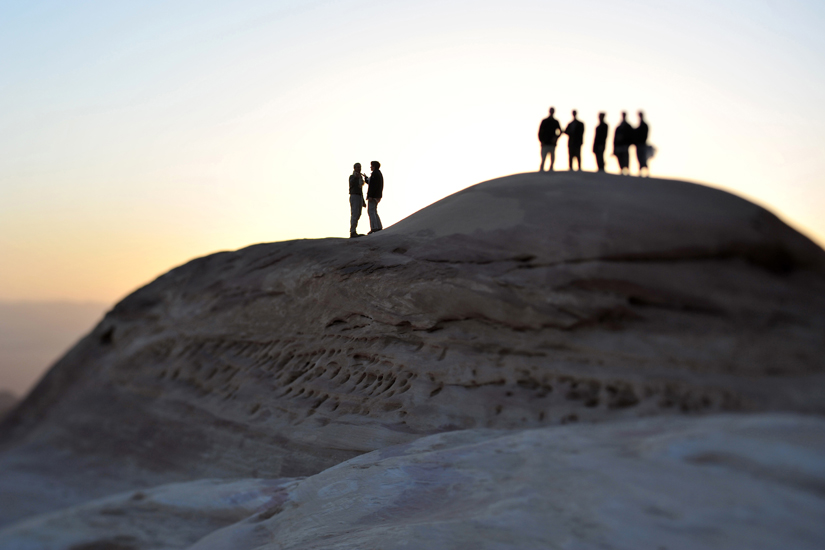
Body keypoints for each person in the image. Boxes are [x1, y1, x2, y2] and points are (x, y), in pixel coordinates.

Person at [538, 107, 562, 172]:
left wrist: (556, 138)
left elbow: (560, 131)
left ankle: (551, 170)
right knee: (543, 158)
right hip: (545, 143)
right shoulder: (545, 121)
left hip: (552, 144)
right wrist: (542, 141)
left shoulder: (555, 122)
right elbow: (540, 132)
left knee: (552, 159)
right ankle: (542, 170)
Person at [364, 160, 383, 234]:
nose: (370, 167)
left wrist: (370, 196)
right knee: (374, 211)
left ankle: (374, 228)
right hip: (377, 196)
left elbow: (373, 186)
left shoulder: (375, 174)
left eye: (371, 166)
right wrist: (366, 179)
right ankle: (378, 226)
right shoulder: (378, 173)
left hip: (374, 196)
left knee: (371, 211)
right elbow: (371, 182)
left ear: (374, 166)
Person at [348, 163, 366, 238]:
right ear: (354, 168)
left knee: (358, 214)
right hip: (354, 195)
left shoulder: (360, 178)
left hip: (359, 196)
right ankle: (352, 231)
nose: (359, 169)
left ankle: (354, 230)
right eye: (358, 167)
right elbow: (351, 183)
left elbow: (360, 189)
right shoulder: (352, 176)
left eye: (360, 167)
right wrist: (356, 177)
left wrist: (363, 201)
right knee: (355, 213)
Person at [635, 111, 650, 177]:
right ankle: (642, 172)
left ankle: (646, 172)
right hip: (639, 144)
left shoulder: (644, 125)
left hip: (642, 144)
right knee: (640, 158)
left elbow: (644, 135)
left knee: (642, 158)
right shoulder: (641, 125)